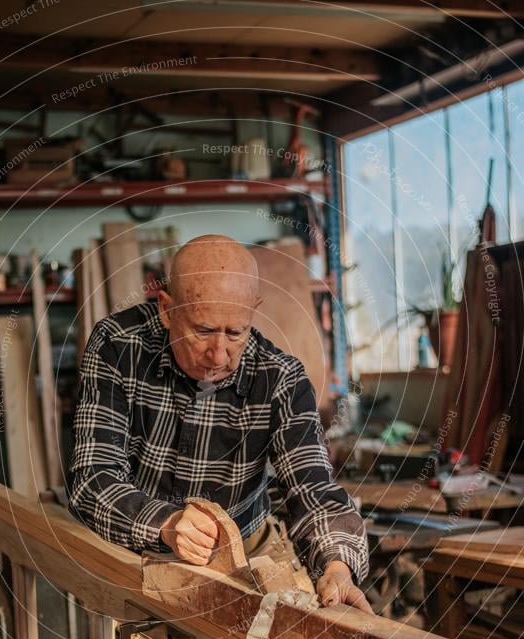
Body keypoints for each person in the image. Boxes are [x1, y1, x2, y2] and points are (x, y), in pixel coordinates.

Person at [69, 234, 371, 612]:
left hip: (249, 545)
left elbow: (313, 491)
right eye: (204, 330)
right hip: (141, 543)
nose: (219, 354)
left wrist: (338, 566)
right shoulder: (118, 347)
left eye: (235, 332)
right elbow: (92, 479)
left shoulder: (282, 379)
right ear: (166, 309)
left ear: (253, 311)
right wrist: (165, 522)